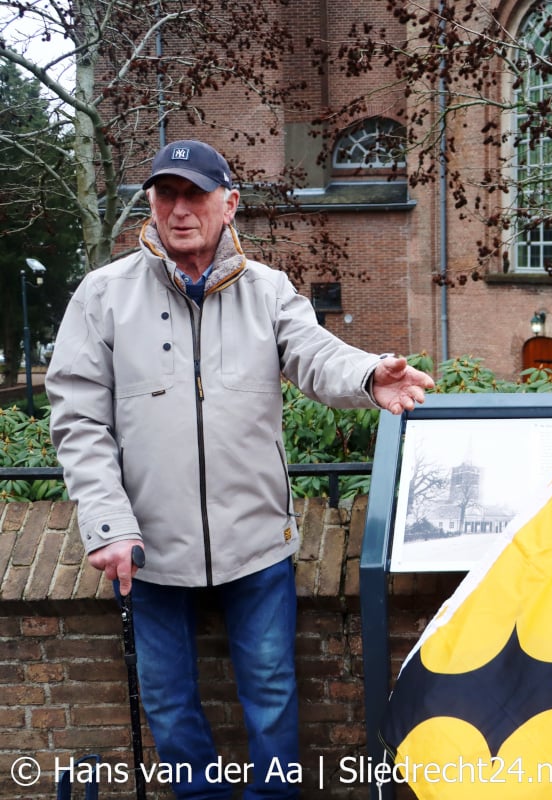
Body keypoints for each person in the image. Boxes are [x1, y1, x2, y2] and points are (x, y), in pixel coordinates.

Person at [46, 139, 436, 800]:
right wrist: (109, 524)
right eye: (166, 194)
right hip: (150, 549)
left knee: (274, 694)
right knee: (168, 703)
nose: (179, 209)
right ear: (150, 203)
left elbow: (316, 356)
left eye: (195, 195)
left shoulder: (267, 291)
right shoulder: (103, 295)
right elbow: (79, 422)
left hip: (256, 543)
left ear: (228, 205)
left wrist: (370, 374)